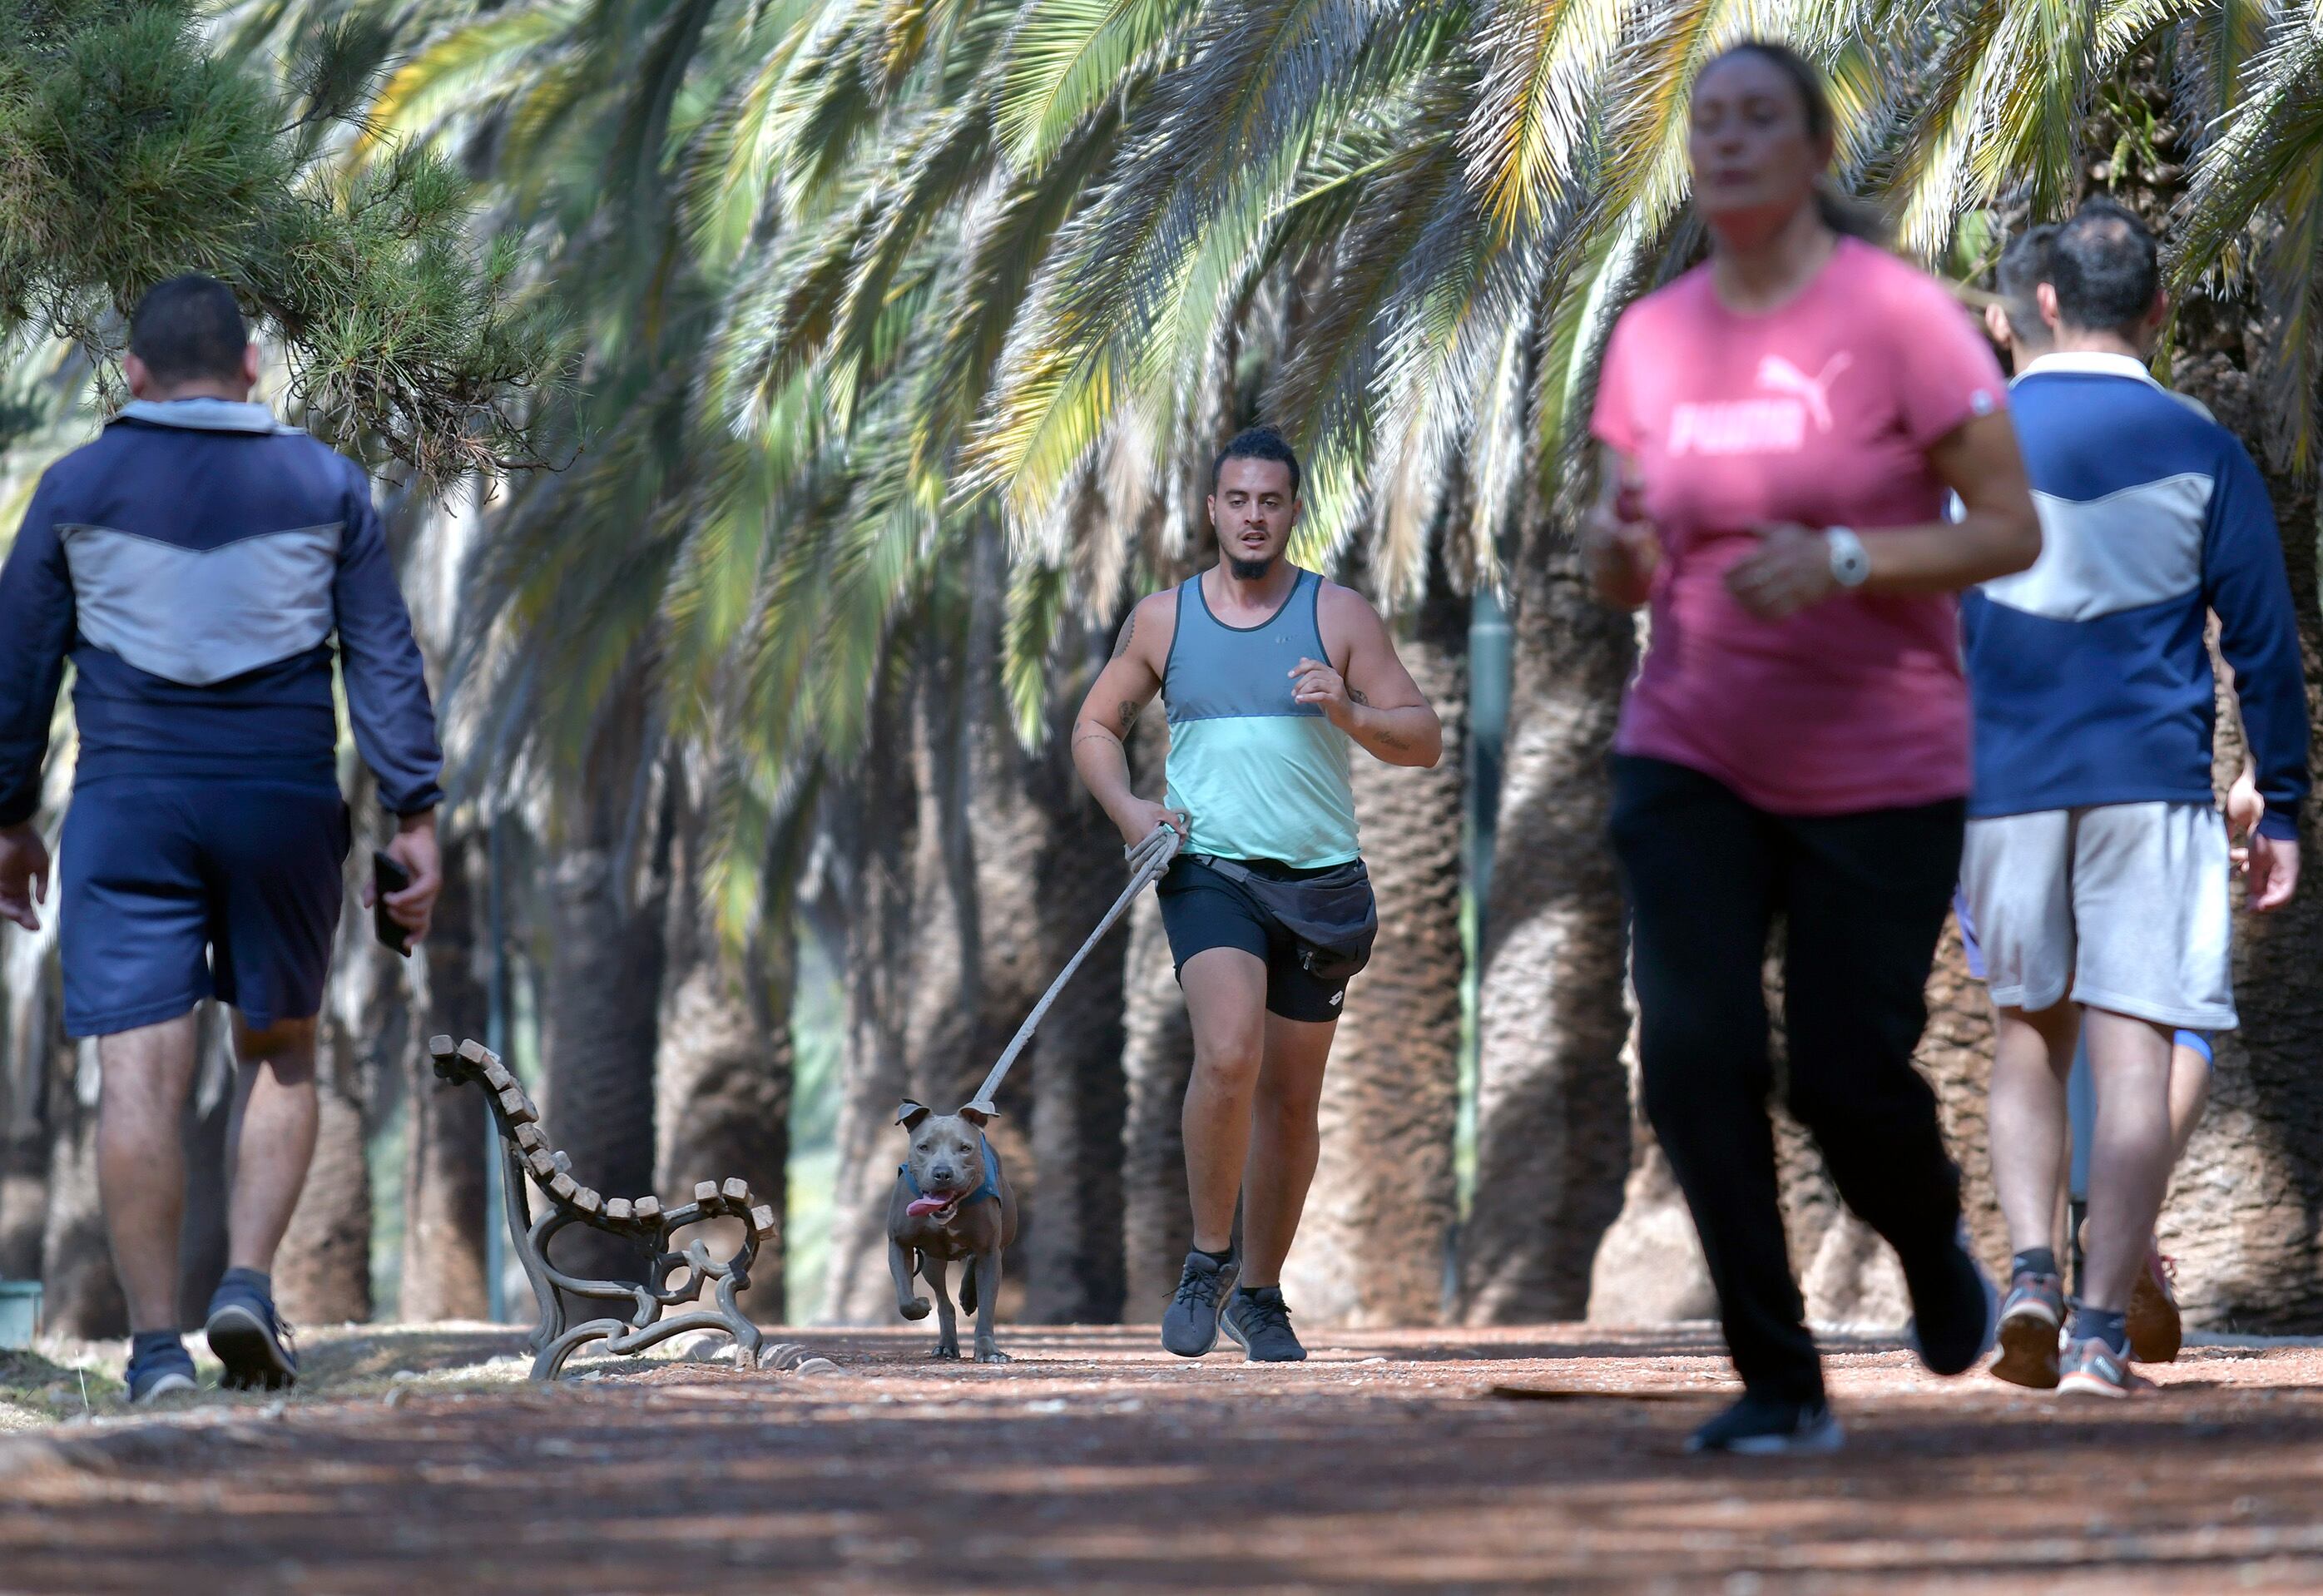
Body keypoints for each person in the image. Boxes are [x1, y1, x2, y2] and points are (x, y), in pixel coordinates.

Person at [1583, 40, 2043, 1454]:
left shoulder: (1898, 319)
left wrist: (1849, 554)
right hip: (1691, 743)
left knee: (1847, 1073)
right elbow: (1623, 559)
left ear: (1811, 150)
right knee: (1694, 1050)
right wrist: (1613, 551)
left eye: (1755, 119)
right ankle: (1779, 1379)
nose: (1724, 141)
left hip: (1883, 759)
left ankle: (1928, 1240)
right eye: (1705, 122)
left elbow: (2008, 528)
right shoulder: (1653, 335)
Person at [0, 276, 445, 1401]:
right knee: (281, 1045)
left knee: (137, 1071)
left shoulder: (73, 486)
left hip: (129, 804)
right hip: (281, 800)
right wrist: (417, 816)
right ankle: (246, 1283)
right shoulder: (325, 484)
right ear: (252, 368)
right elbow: (383, 660)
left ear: (133, 376)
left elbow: (15, 676)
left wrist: (9, 820)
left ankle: (155, 1352)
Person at [1961, 199, 2306, 1399]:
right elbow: (2262, 642)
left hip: (2001, 789)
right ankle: (2103, 1329)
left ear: (2041, 305)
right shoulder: (2204, 446)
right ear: (2158, 311)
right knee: (2137, 1040)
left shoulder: (1975, 439)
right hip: (2151, 790)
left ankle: (2028, 1279)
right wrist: (2292, 804)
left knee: (2025, 1032)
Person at [1070, 425, 1441, 1362]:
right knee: (1228, 1052)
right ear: (1211, 509)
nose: (1252, 516)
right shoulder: (1164, 618)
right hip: (1209, 871)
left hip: (1318, 884)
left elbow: (1422, 735)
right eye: (1236, 499)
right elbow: (1093, 726)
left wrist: (1348, 711)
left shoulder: (1337, 613)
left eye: (1269, 501)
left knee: (1289, 1100)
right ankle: (1206, 1260)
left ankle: (1261, 1295)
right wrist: (1129, 811)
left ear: (1291, 512)